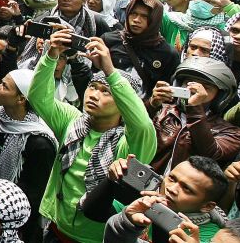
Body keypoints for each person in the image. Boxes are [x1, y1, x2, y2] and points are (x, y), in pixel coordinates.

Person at [27, 30, 155, 243]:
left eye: (106, 92)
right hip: (57, 230)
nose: (94, 95)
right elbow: (38, 97)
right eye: (92, 87)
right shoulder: (72, 120)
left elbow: (142, 124)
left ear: (123, 104)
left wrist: (110, 70)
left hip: (98, 238)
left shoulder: (128, 144)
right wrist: (51, 55)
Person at [0, 69, 58, 243]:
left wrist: (0, 208)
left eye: (5, 86)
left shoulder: (39, 142)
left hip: (17, 223)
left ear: (21, 98)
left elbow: (33, 195)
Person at [143, 57, 240, 172]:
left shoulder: (230, 133)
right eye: (188, 84)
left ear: (220, 96)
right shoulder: (161, 111)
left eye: (205, 87)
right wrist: (151, 105)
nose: (193, 91)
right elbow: (128, 128)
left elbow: (211, 154)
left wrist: (195, 107)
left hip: (180, 188)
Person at [100, 157, 231, 243]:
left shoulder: (210, 237)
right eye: (172, 178)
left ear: (207, 206)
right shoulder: (146, 204)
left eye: (187, 189)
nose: (171, 189)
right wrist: (111, 180)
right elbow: (94, 212)